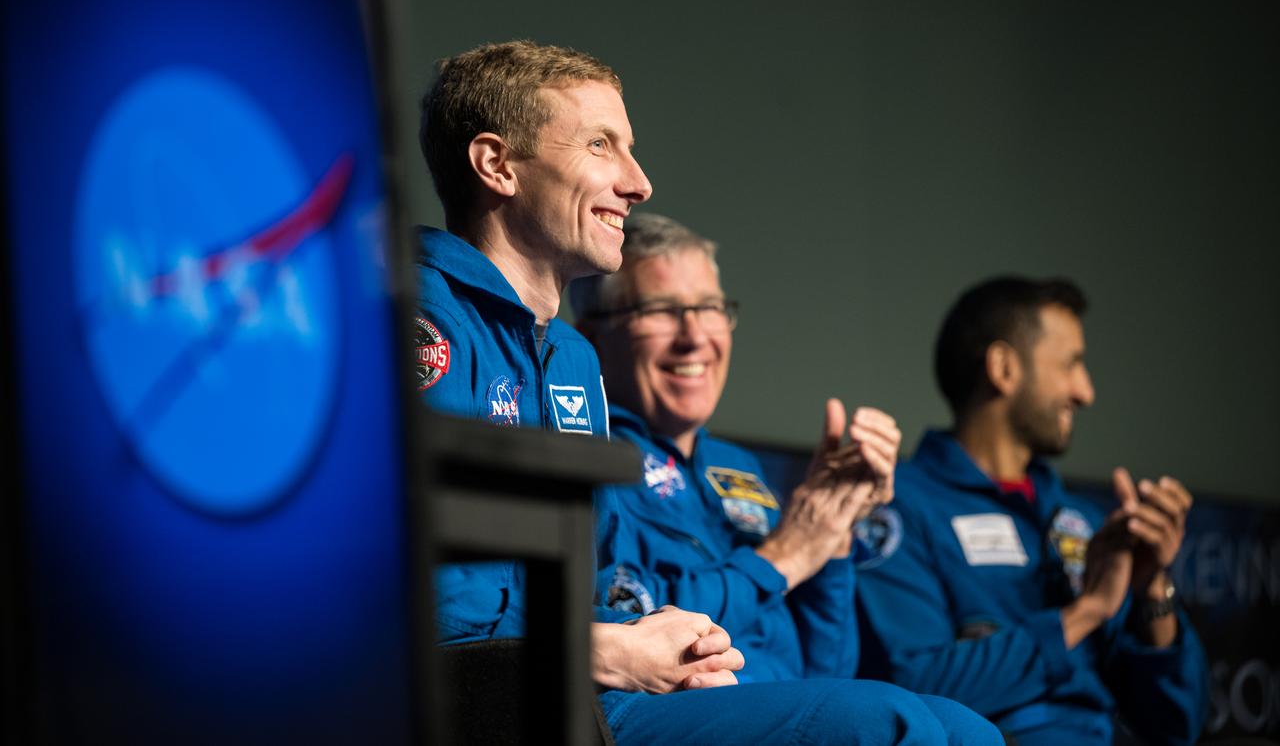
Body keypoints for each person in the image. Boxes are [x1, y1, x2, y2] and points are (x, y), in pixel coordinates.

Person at [416, 40, 996, 744]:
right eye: (601, 145)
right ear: (497, 165)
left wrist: (814, 546)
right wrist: (612, 644)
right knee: (891, 723)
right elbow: (409, 590)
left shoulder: (569, 356)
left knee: (964, 729)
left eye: (630, 150)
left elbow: (586, 588)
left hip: (580, 692)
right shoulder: (419, 316)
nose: (639, 183)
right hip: (493, 701)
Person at [570, 212, 1003, 744]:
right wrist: (780, 558)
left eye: (710, 308)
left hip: (786, 708)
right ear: (591, 335)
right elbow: (640, 632)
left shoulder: (737, 469)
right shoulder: (588, 452)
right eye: (661, 310)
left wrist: (831, 535)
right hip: (673, 712)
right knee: (890, 719)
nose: (695, 337)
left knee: (967, 729)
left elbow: (826, 668)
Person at [853, 276, 1210, 745]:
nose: (1086, 392)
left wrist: (1151, 588)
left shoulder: (1081, 521)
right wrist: (1084, 613)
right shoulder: (898, 508)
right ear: (1003, 368)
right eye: (1071, 364)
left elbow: (1177, 726)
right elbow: (911, 696)